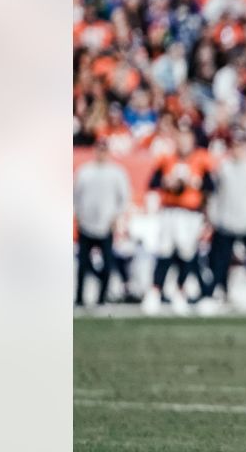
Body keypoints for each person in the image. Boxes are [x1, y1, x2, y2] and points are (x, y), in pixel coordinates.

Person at [144, 128, 213, 313]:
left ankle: (180, 292)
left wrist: (193, 184)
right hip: (170, 211)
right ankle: (155, 291)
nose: (183, 144)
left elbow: (210, 187)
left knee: (187, 253)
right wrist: (167, 182)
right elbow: (153, 182)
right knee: (165, 251)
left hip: (190, 213)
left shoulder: (200, 160)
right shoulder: (168, 159)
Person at [207, 130, 246, 305]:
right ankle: (215, 294)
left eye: (241, 145)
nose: (238, 150)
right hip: (226, 221)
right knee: (220, 262)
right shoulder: (223, 168)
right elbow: (215, 195)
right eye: (235, 146)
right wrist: (214, 218)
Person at [74, 138, 131, 307]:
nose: (101, 153)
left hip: (106, 224)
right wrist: (79, 215)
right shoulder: (84, 171)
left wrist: (115, 217)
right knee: (83, 264)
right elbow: (76, 195)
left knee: (107, 263)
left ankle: (101, 297)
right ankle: (79, 297)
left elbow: (124, 198)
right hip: (86, 224)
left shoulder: (116, 172)